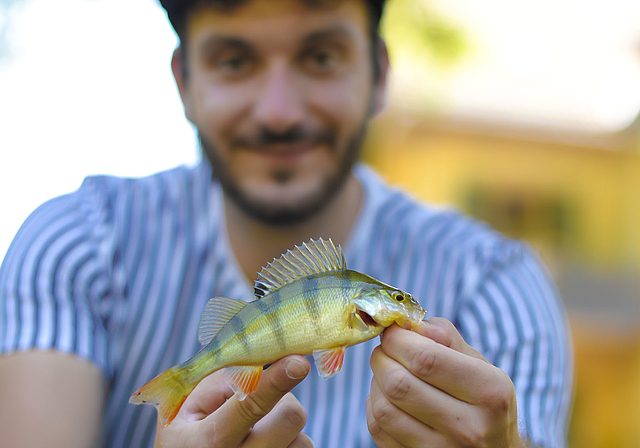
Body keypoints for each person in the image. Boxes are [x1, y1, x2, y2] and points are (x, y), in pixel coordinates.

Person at [0, 0, 572, 447]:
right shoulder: (79, 243)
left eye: (320, 56)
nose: (279, 111)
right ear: (184, 82)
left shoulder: (494, 282)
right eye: (235, 60)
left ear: (378, 73)